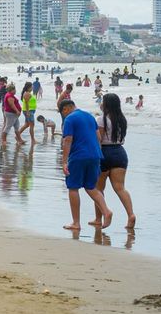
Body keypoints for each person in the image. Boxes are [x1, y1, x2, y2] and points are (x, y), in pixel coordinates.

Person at [58, 99, 113, 231]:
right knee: (91, 187)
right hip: (95, 155)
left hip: (78, 156)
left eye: (62, 112)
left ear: (66, 108)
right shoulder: (89, 116)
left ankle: (76, 223)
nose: (63, 115)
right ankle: (106, 211)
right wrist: (97, 154)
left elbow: (68, 140)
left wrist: (64, 161)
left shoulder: (70, 119)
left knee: (73, 187)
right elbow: (98, 137)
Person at [94, 93, 135, 230]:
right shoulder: (122, 120)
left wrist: (96, 156)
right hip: (120, 152)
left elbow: (98, 140)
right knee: (120, 188)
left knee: (99, 189)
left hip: (105, 152)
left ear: (106, 104)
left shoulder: (101, 119)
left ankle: (99, 218)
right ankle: (130, 215)